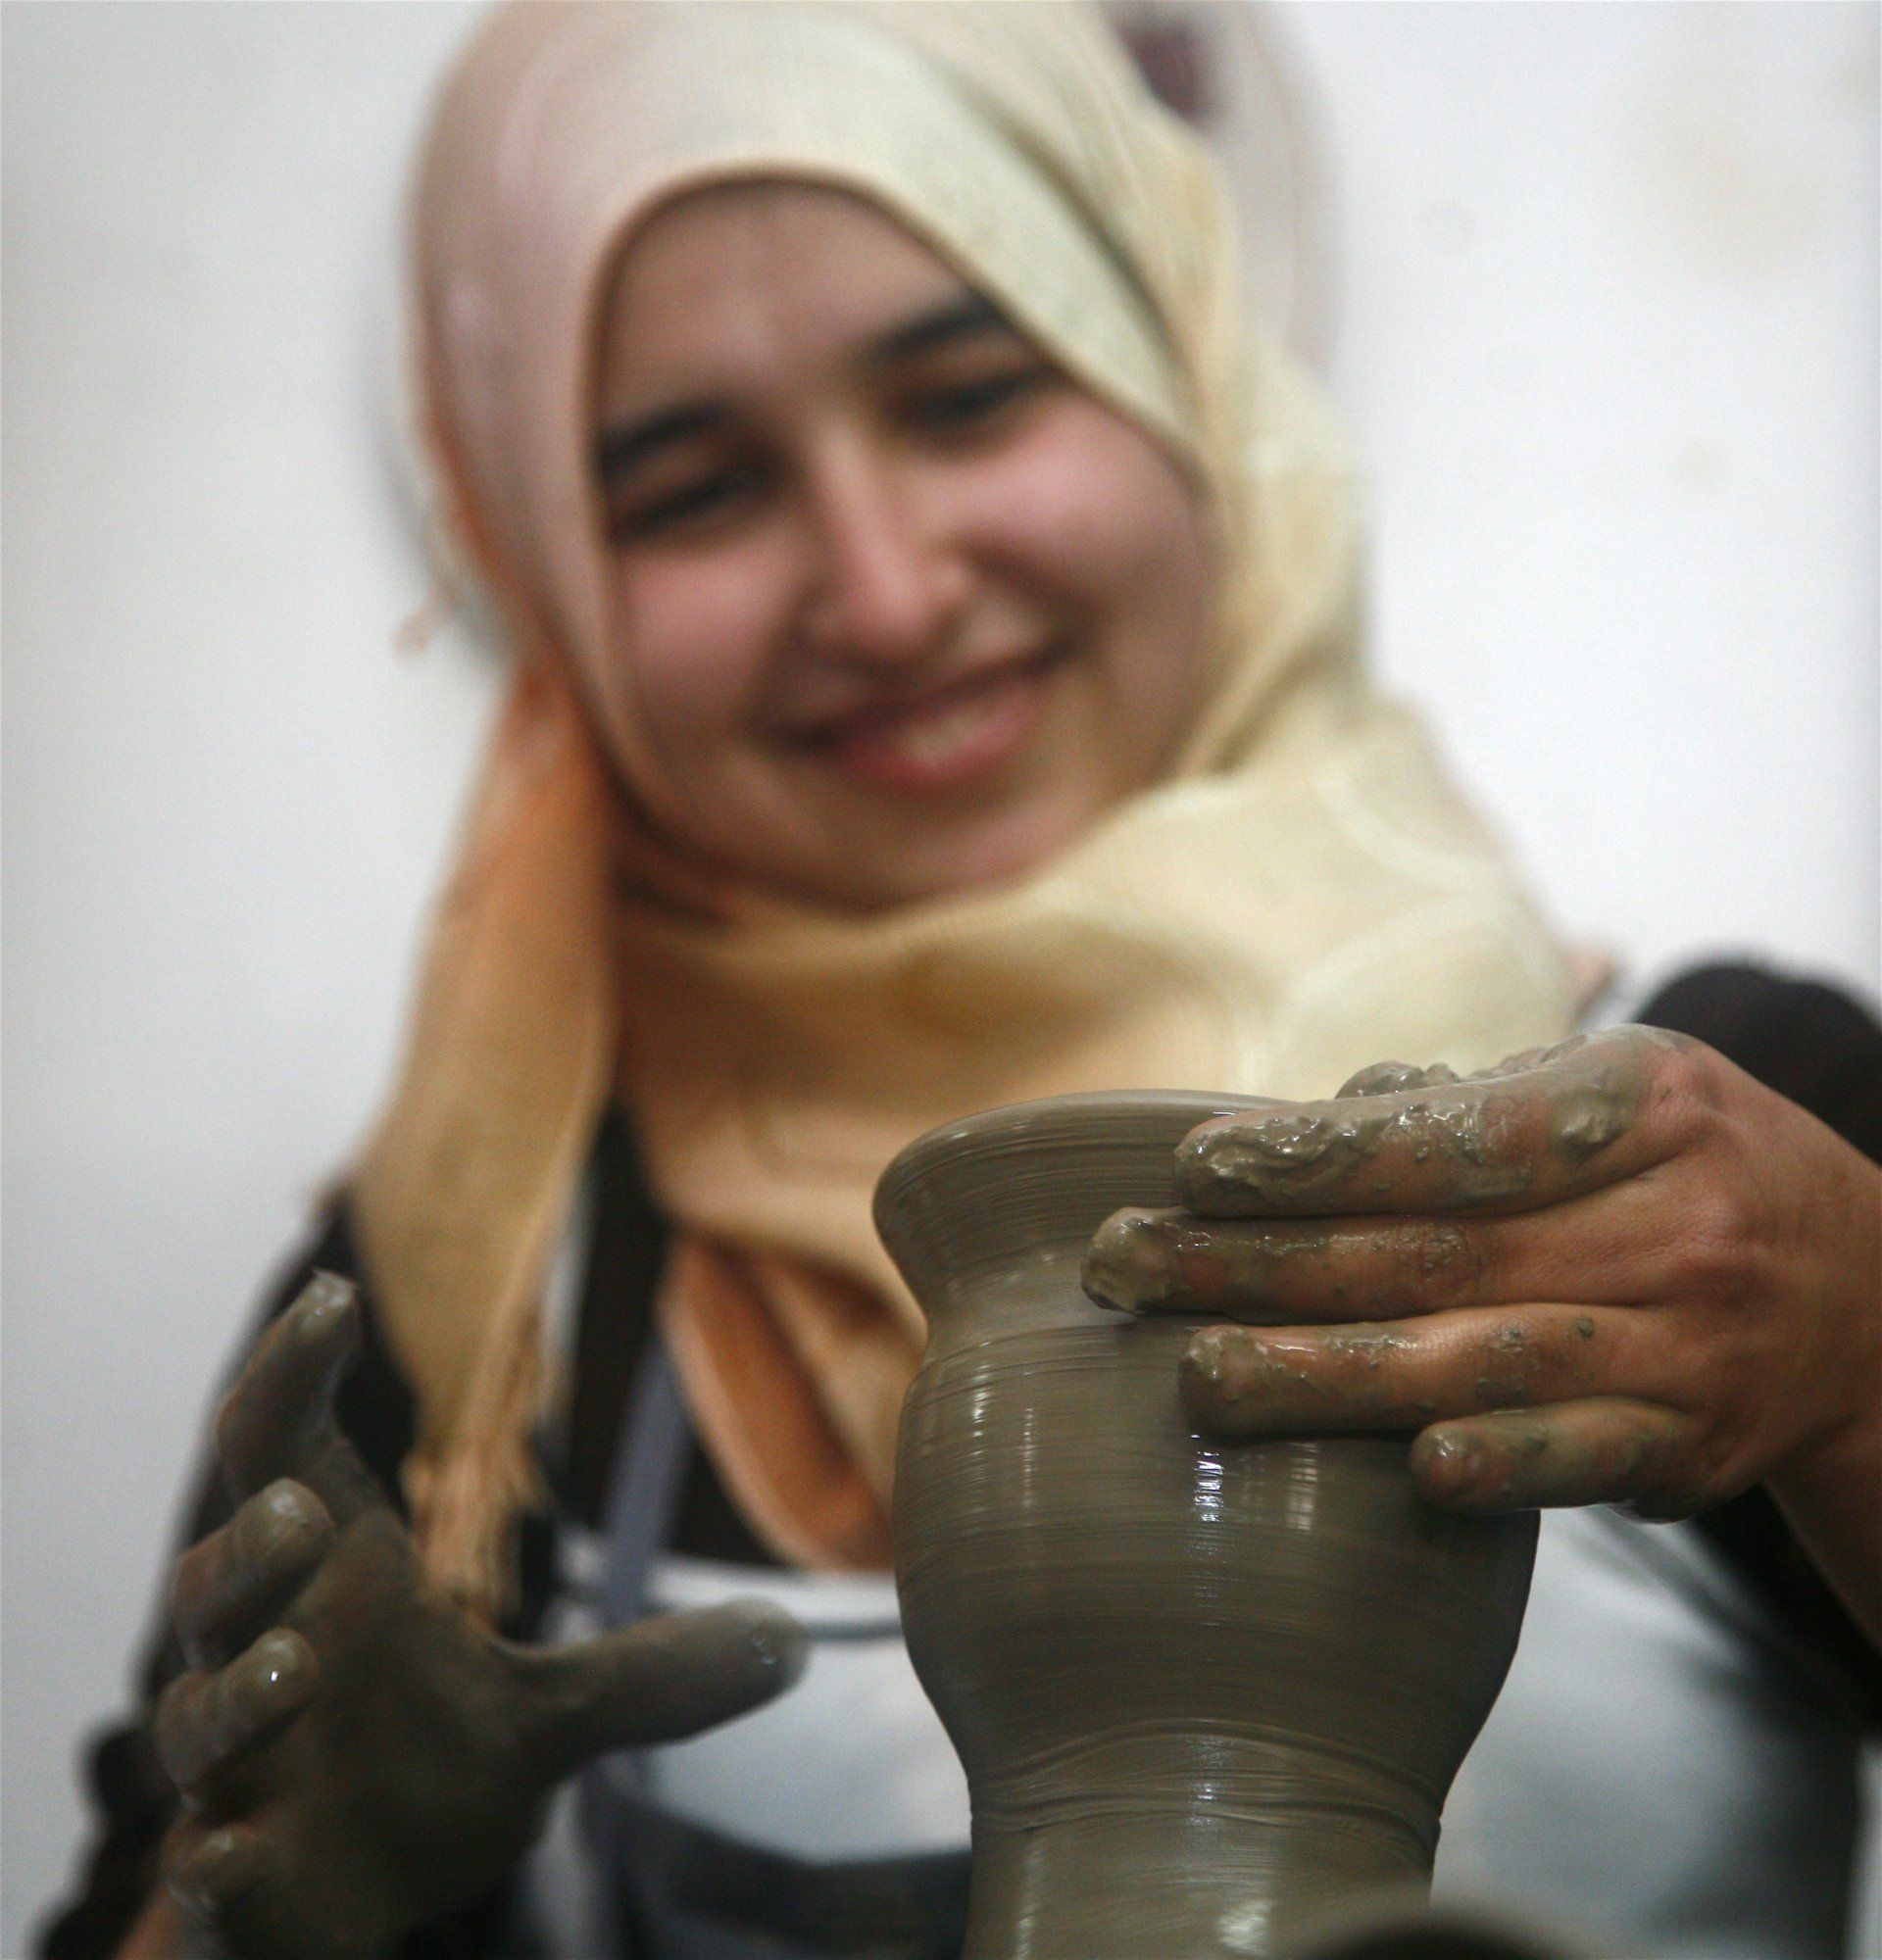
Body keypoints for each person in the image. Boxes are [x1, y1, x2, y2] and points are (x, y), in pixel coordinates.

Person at [40, 6, 1880, 1959]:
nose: (889, 591)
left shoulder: (1721, 1166)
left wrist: (1857, 1369)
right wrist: (253, 1919)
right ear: (555, 576)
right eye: (695, 491)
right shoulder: (471, 1311)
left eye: (971, 397)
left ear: (1178, 365)